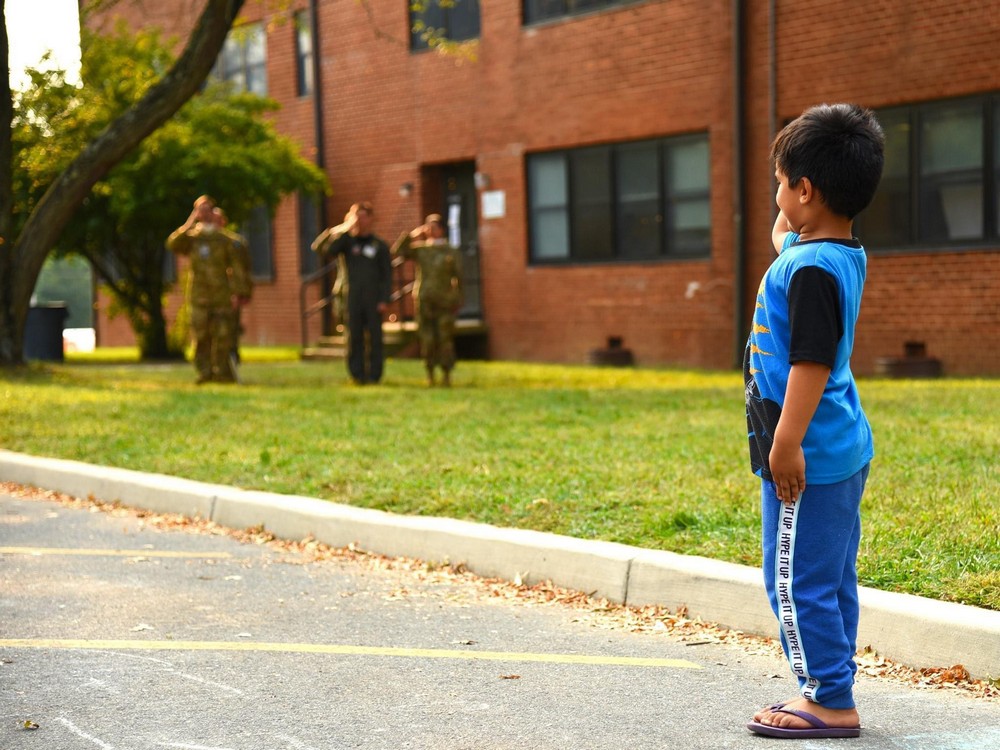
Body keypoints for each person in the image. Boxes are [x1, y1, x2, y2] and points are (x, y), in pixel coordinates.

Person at [743, 103, 884, 739]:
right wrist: (793, 188)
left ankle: (830, 701)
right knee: (828, 577)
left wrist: (785, 445)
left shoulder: (809, 271)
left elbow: (810, 362)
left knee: (795, 585)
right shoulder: (831, 251)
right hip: (840, 446)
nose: (776, 195)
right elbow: (784, 234)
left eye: (781, 182)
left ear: (807, 191)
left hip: (810, 457)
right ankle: (832, 682)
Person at [166, 195, 251, 384]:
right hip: (198, 296)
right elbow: (173, 244)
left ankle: (222, 373)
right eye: (200, 209)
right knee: (201, 335)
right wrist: (191, 221)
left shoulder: (225, 240)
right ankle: (204, 372)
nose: (205, 213)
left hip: (221, 295)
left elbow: (237, 269)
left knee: (223, 335)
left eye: (208, 209)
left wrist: (240, 293)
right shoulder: (192, 238)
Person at [311, 202, 392, 384]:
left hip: (373, 299)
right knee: (354, 337)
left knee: (375, 338)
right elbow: (320, 249)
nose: (360, 221)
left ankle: (374, 375)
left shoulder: (379, 245)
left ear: (371, 219)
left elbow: (387, 275)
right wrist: (339, 229)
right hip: (352, 298)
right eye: (356, 216)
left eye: (363, 216)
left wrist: (384, 299)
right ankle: (357, 374)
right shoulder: (346, 242)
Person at [391, 214, 463, 386]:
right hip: (424, 301)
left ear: (441, 229)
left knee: (445, 339)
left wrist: (457, 299)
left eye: (434, 227)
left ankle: (446, 375)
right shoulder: (421, 249)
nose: (431, 230)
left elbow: (459, 276)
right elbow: (398, 251)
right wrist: (412, 235)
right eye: (428, 227)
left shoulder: (450, 251)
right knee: (427, 339)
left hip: (444, 301)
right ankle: (430, 374)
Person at [212, 207, 252, 369]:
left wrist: (239, 293)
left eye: (216, 220)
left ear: (223, 222)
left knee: (230, 330)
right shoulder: (202, 241)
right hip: (209, 294)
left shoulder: (234, 243)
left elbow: (241, 270)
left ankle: (231, 363)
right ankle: (215, 366)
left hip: (228, 293)